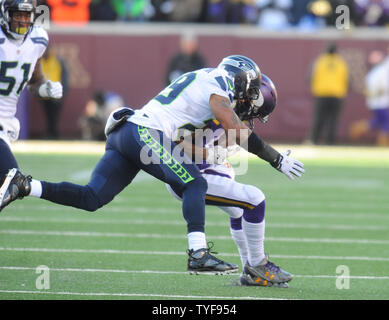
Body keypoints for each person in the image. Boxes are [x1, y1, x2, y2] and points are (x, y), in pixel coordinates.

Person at [0, 55, 304, 275]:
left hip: (127, 132)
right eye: (249, 91)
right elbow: (235, 128)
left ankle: (26, 185)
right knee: (194, 183)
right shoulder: (218, 83)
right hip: (143, 132)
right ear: (238, 80)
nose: (248, 99)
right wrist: (277, 159)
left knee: (91, 198)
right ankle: (198, 253)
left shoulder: (206, 77)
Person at [166, 73, 303, 287]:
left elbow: (234, 138)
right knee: (254, 199)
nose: (251, 118)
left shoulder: (223, 105)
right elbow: (175, 142)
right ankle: (258, 264)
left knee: (239, 209)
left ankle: (251, 274)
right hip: (188, 173)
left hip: (206, 168)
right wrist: (209, 154)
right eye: (254, 112)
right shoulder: (210, 106)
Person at [0, 0, 63, 186]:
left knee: (10, 185)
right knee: (12, 181)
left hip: (6, 124)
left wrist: (46, 88)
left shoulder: (38, 40)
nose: (22, 20)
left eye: (26, 15)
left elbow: (35, 81)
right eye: (17, 15)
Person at [309, 42, 349, 145]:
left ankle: (313, 140)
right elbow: (347, 79)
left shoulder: (320, 61)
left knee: (319, 118)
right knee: (333, 120)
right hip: (337, 94)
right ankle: (330, 142)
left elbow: (310, 76)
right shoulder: (341, 62)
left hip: (321, 94)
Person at [349, 50, 389, 146]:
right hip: (380, 102)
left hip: (375, 102)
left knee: (377, 122)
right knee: (386, 123)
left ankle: (357, 128)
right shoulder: (381, 72)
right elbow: (382, 88)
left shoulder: (372, 74)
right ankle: (383, 144)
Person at [39, 44, 69, 139]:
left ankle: (54, 134)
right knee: (48, 114)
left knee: (55, 115)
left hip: (56, 93)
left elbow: (64, 76)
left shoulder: (57, 60)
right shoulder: (39, 61)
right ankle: (49, 133)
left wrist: (63, 91)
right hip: (44, 93)